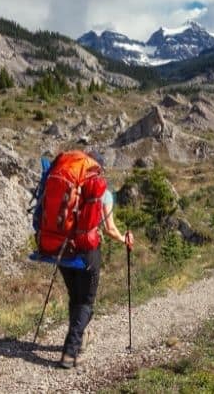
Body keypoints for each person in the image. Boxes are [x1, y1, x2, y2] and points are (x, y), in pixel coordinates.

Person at [58, 154, 134, 369]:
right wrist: (124, 239)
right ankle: (69, 353)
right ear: (98, 170)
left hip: (63, 249)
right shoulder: (102, 192)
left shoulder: (69, 187)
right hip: (87, 251)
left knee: (75, 298)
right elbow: (109, 228)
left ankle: (80, 339)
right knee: (86, 303)